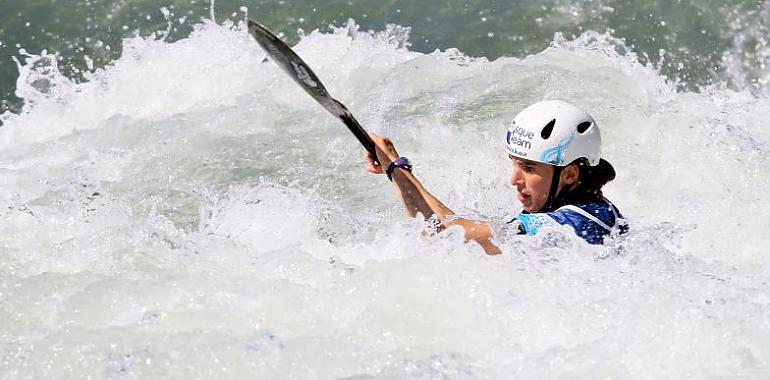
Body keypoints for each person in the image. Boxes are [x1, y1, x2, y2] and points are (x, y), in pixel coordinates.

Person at [364, 100, 628, 255]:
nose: (514, 179)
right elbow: (433, 233)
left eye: (529, 168)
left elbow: (452, 235)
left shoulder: (577, 222)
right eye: (514, 165)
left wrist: (396, 166)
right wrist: (395, 172)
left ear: (570, 173)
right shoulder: (580, 208)